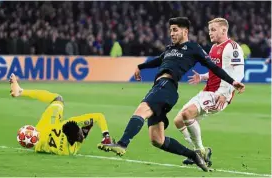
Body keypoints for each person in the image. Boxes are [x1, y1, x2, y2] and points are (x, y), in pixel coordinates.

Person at [101, 17, 245, 172]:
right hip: (162, 88)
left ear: (185, 31)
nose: (172, 33)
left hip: (166, 86)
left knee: (142, 109)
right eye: (170, 30)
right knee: (157, 139)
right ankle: (194, 155)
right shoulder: (170, 49)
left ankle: (122, 144)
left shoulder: (193, 48)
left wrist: (231, 83)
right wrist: (140, 66)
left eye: (175, 30)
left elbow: (214, 67)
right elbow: (158, 60)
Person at [173, 18, 245, 166]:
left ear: (223, 30)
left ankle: (199, 152)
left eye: (213, 30)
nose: (209, 33)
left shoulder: (233, 47)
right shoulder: (213, 48)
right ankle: (200, 151)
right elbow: (216, 72)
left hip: (219, 95)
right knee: (178, 120)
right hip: (207, 91)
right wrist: (203, 76)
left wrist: (225, 94)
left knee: (187, 114)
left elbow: (238, 73)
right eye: (209, 30)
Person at [9, 73, 113, 155]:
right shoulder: (68, 152)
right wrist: (106, 135)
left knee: (58, 99)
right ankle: (20, 91)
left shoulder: (67, 124)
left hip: (45, 130)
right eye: (81, 133)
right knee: (86, 124)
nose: (81, 133)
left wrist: (105, 135)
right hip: (39, 144)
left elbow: (96, 118)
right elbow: (99, 116)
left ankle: (20, 91)